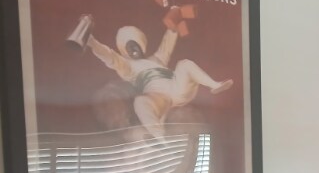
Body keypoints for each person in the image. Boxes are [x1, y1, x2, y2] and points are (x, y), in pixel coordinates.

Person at [73, 15, 233, 138]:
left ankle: (215, 85)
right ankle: (159, 138)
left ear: (141, 45)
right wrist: (91, 41)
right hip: (156, 98)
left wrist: (175, 17)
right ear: (124, 51)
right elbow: (109, 56)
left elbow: (168, 41)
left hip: (176, 89)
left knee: (185, 64)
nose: (133, 49)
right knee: (140, 102)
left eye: (135, 45)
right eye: (129, 47)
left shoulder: (157, 59)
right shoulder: (127, 67)